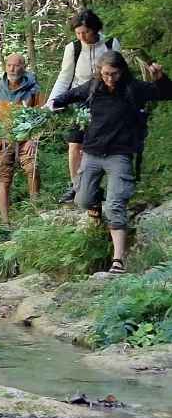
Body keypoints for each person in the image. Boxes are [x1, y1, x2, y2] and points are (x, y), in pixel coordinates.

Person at [52, 51, 171, 274]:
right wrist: (54, 104)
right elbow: (68, 96)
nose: (109, 78)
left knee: (115, 206)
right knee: (83, 200)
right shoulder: (93, 87)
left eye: (113, 74)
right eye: (105, 74)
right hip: (92, 153)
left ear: (121, 71)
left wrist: (160, 78)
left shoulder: (133, 88)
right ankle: (96, 205)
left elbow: (167, 93)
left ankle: (118, 261)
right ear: (100, 72)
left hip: (119, 155)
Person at [45, 10, 121, 203]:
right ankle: (77, 186)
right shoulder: (74, 48)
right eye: (78, 33)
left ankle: (102, 186)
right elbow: (65, 76)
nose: (82, 37)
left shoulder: (111, 44)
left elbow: (120, 74)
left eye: (85, 32)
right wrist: (53, 100)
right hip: (79, 98)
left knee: (104, 144)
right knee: (75, 144)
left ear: (94, 29)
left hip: (106, 100)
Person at [0, 53, 46, 225]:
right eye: (9, 65)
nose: (12, 69)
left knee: (32, 170)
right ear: (5, 66)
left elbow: (41, 116)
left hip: (26, 139)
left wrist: (34, 138)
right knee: (4, 178)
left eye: (16, 65)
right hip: (3, 141)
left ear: (24, 67)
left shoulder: (33, 89)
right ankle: (5, 222)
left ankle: (35, 213)